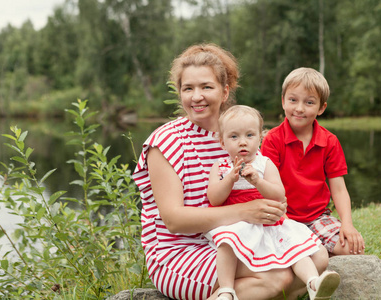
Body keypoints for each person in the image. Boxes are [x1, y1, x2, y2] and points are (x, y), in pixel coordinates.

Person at [133, 44, 320, 300]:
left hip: (236, 236)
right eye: (188, 88)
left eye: (206, 87)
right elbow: (174, 220)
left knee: (317, 258)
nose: (196, 96)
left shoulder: (235, 133)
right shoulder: (165, 142)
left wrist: (273, 206)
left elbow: (262, 185)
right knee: (278, 276)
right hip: (181, 252)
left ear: (225, 91)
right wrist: (246, 211)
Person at [204, 105, 340, 300]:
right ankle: (226, 290)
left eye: (249, 135)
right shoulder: (220, 166)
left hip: (268, 222)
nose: (242, 142)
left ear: (259, 138)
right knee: (227, 245)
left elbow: (279, 195)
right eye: (234, 137)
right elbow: (214, 199)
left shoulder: (264, 163)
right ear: (222, 142)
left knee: (295, 247)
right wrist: (229, 180)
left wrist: (258, 181)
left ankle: (313, 282)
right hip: (236, 223)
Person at [261, 67, 366, 257]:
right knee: (304, 253)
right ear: (283, 101)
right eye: (293, 100)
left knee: (352, 248)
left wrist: (347, 224)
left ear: (321, 108)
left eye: (309, 102)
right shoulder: (272, 139)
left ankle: (318, 246)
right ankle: (313, 253)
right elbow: (267, 188)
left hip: (318, 218)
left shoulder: (330, 142)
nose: (300, 108)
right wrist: (283, 221)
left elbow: (339, 189)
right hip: (282, 217)